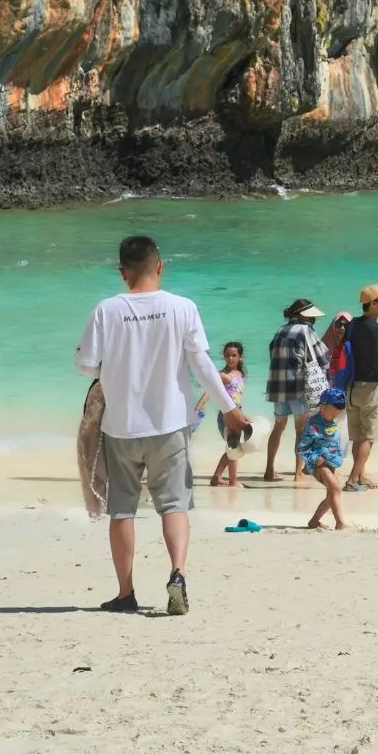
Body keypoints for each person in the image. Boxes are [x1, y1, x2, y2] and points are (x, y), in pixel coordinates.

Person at [72, 234, 237, 615]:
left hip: (121, 426)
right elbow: (201, 365)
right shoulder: (182, 307)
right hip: (170, 424)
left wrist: (114, 366)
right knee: (174, 505)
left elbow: (85, 365)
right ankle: (177, 573)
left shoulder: (106, 310)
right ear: (159, 266)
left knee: (123, 511)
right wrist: (228, 408)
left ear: (122, 272)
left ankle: (126, 593)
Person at [339, 286, 378, 493]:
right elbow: (377, 362)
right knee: (368, 437)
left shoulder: (352, 325)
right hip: (371, 387)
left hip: (352, 385)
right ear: (372, 304)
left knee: (357, 436)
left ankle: (361, 476)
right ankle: (353, 480)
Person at [261, 301, 322, 481]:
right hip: (297, 386)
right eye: (311, 315)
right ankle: (298, 473)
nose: (313, 318)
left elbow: (272, 353)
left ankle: (269, 470)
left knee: (278, 427)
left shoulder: (280, 330)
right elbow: (322, 356)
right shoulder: (306, 332)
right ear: (303, 315)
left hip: (277, 386)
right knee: (300, 430)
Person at [300, 389, 350, 530]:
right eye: (334, 412)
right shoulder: (312, 425)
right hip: (318, 464)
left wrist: (338, 458)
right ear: (322, 406)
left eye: (339, 412)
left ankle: (314, 521)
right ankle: (340, 523)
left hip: (331, 462)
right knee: (335, 488)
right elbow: (301, 448)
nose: (336, 415)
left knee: (332, 494)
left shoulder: (333, 423)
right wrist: (315, 458)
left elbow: (336, 444)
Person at [209, 342, 251, 489]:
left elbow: (236, 398)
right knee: (234, 447)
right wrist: (198, 407)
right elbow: (210, 390)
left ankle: (217, 477)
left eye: (234, 355)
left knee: (233, 447)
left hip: (237, 414)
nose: (230, 358)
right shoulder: (223, 375)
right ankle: (233, 482)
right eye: (227, 355)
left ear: (240, 357)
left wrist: (242, 414)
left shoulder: (240, 374)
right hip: (226, 415)